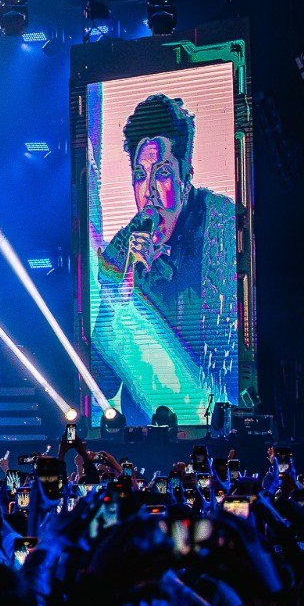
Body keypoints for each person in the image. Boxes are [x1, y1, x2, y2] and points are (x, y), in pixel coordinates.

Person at [92, 93, 239, 425]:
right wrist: (125, 289)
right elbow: (101, 381)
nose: (149, 192)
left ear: (186, 172)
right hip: (145, 427)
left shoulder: (224, 225)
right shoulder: (121, 251)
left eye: (161, 173)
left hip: (210, 424)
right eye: (140, 176)